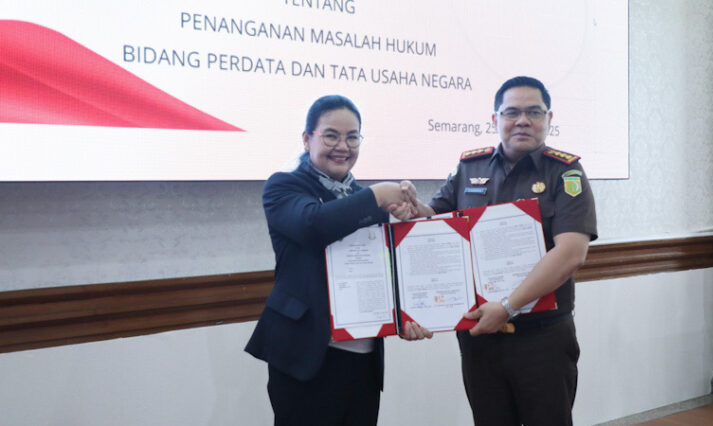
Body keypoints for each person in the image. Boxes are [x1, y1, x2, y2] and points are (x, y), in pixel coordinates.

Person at [412, 76, 597, 425]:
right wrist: (410, 208)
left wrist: (508, 306)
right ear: (495, 118)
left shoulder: (565, 172)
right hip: (481, 335)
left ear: (549, 119)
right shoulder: (470, 167)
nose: (522, 120)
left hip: (542, 337)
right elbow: (433, 223)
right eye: (512, 112)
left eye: (533, 112)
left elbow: (572, 253)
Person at [245, 94, 432, 426]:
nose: (343, 146)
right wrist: (377, 194)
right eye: (331, 136)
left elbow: (380, 270)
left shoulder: (365, 199)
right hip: (307, 357)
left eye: (352, 137)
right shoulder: (284, 186)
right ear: (307, 139)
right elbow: (314, 225)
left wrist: (402, 316)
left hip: (363, 360)